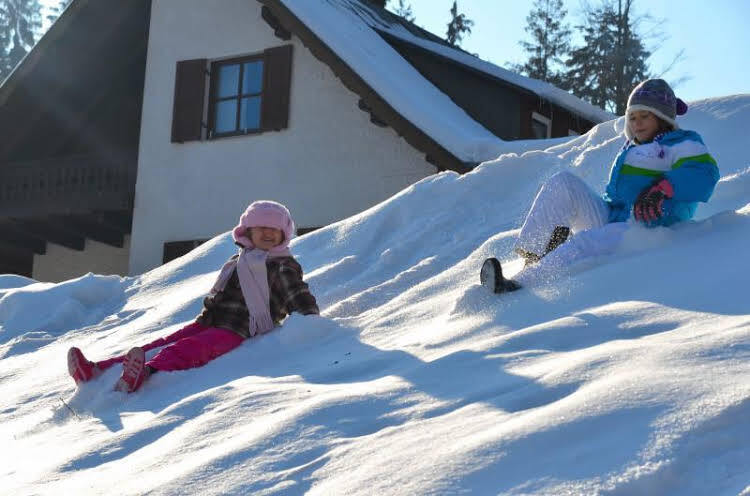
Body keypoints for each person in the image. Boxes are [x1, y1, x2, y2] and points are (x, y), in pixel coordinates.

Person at [482, 79, 719, 293]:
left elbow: (705, 174)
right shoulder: (631, 147)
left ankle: (522, 285)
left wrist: (664, 188)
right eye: (632, 117)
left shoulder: (681, 143)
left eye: (645, 116)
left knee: (583, 243)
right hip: (614, 218)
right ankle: (533, 258)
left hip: (645, 228)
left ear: (662, 117)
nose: (637, 123)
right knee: (563, 183)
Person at [67, 200, 320, 392]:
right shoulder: (239, 260)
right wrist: (208, 314)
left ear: (284, 234)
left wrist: (310, 321)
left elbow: (297, 293)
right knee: (159, 343)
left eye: (275, 230)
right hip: (211, 320)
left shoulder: (282, 265)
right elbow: (222, 293)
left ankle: (145, 373)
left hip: (240, 328)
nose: (268, 233)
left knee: (188, 349)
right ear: (248, 232)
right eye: (262, 227)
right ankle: (96, 369)